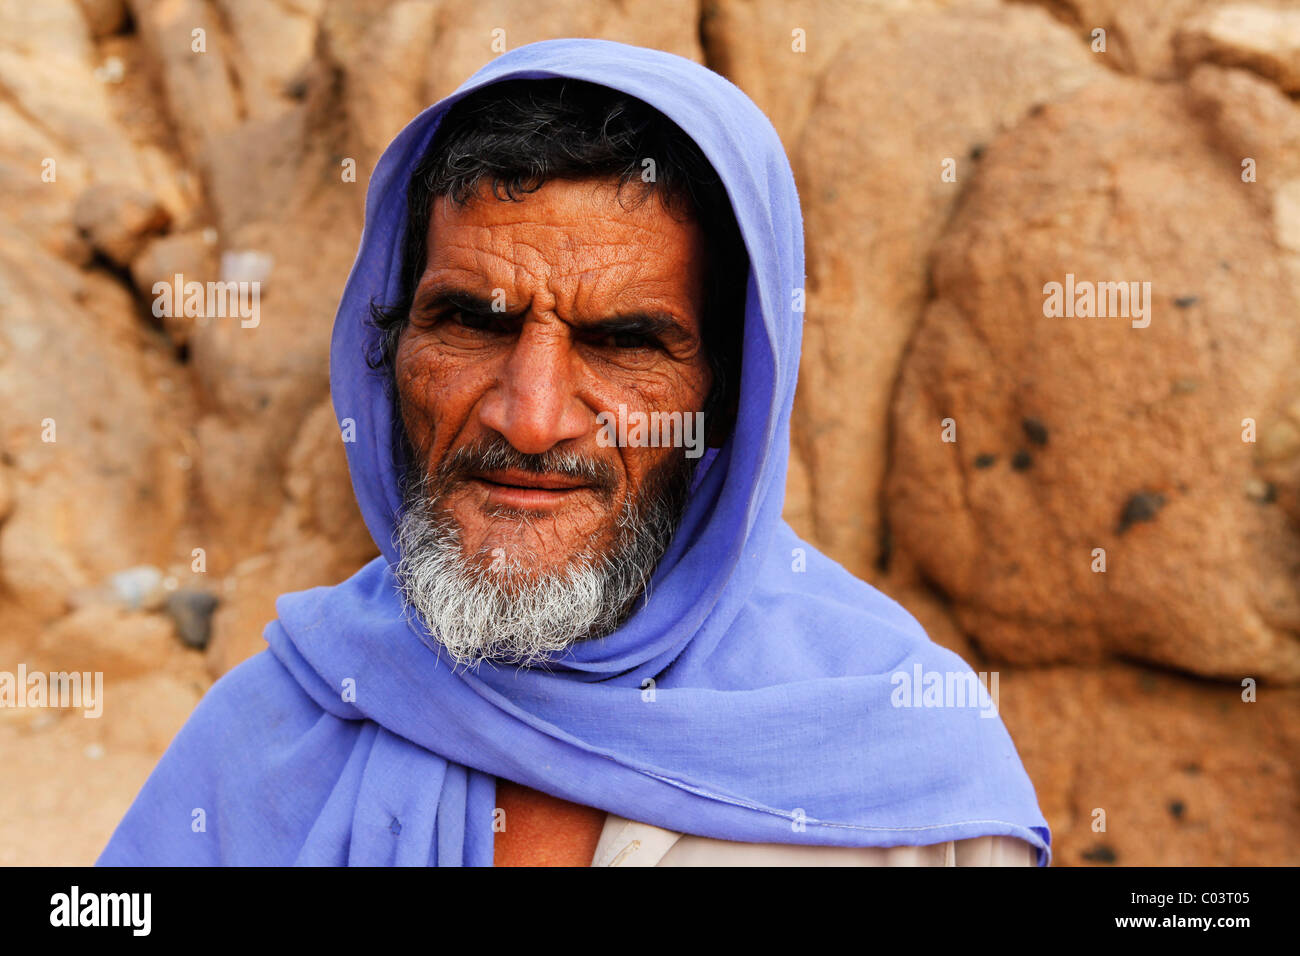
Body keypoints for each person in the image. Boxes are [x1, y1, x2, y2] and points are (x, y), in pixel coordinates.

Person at [98, 38, 1050, 867]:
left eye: (624, 343)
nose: (532, 417)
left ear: (728, 393)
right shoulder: (274, 731)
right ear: (388, 355)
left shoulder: (909, 771)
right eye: (471, 321)